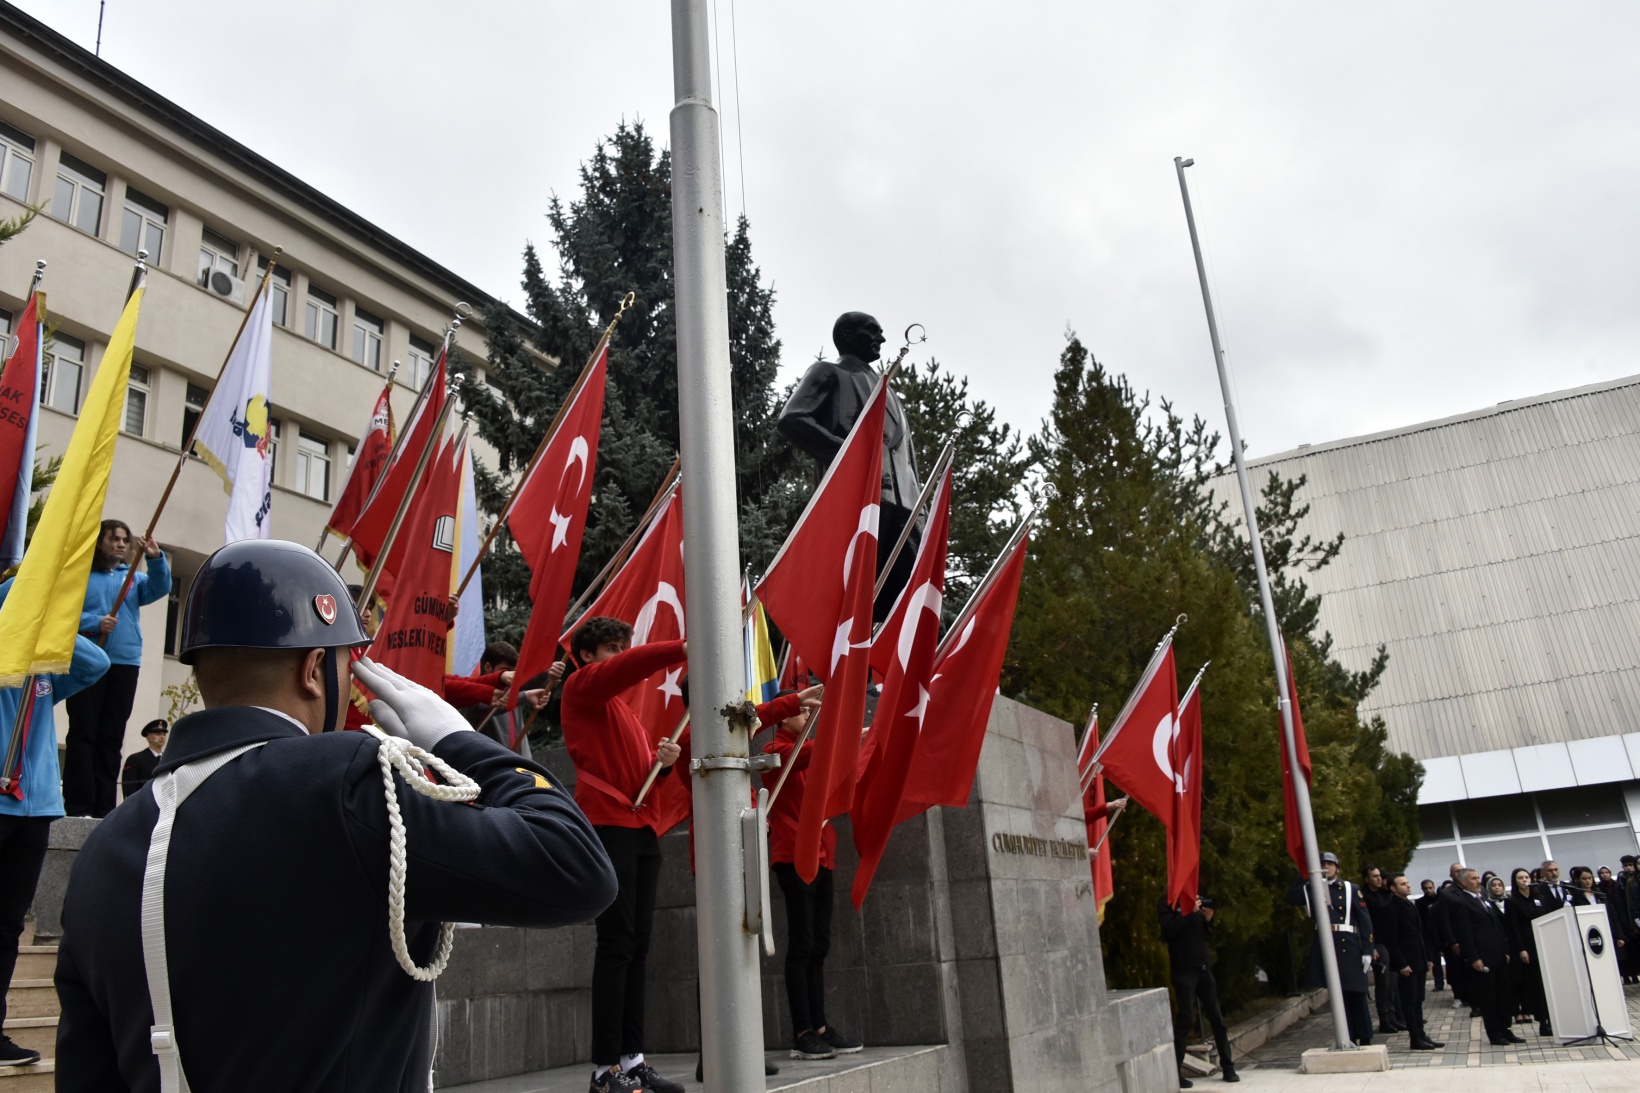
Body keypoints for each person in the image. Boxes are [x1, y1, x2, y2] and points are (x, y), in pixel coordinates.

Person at [54, 539, 617, 1092]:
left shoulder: (104, 850)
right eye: (349, 664)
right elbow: (575, 866)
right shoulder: (343, 782)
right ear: (314, 669)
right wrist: (459, 742)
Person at [558, 617, 690, 1093]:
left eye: (621, 646)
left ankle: (632, 1060)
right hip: (608, 828)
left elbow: (641, 777)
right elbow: (627, 668)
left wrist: (664, 766)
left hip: (639, 829)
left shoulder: (622, 711)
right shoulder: (582, 687)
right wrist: (683, 647)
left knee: (637, 947)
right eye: (612, 647)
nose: (619, 654)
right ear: (587, 655)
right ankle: (603, 1071)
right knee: (616, 946)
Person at [0, 576, 109, 1068]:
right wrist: (19, 599)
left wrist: (52, 623)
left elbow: (96, 663)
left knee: (7, 927)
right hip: (1, 801)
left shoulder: (44, 670)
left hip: (37, 806)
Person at [777, 311, 922, 619]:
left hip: (905, 512)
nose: (881, 338)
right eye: (872, 331)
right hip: (859, 504)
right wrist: (849, 455)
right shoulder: (830, 372)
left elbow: (906, 457)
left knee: (915, 605)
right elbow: (793, 419)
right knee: (851, 603)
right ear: (845, 336)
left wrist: (920, 508)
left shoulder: (889, 391)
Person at [762, 692, 865, 1063]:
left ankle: (820, 1027)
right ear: (783, 717)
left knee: (819, 944)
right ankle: (802, 1031)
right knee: (802, 943)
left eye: (809, 711)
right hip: (792, 855)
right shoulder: (775, 750)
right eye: (802, 711)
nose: (807, 716)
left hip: (823, 855)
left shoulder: (811, 753)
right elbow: (805, 755)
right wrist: (846, 737)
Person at [64, 519, 170, 817]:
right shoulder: (82, 576)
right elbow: (65, 615)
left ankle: (103, 809)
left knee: (111, 736)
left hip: (124, 663)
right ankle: (77, 806)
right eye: (114, 539)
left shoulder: (133, 578)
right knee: (83, 732)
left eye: (125, 539)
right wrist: (94, 622)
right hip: (87, 661)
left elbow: (161, 587)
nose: (121, 544)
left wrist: (155, 558)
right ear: (100, 542)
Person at [1286, 852, 1375, 1045]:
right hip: (1327, 944)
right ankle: (1347, 1037)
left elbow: (1365, 921)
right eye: (1322, 864)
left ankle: (1365, 1036)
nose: (1326, 867)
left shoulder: (1351, 888)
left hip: (1349, 944)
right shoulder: (1313, 888)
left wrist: (1368, 950)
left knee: (1357, 991)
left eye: (1330, 864)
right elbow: (1292, 897)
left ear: (1337, 867)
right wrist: (1305, 874)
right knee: (1338, 995)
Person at [1158, 895, 1239, 1084]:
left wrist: (1208, 920)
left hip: (1202, 967)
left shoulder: (1193, 900)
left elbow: (1204, 934)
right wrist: (1188, 913)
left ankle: (1228, 1068)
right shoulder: (1167, 903)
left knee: (1216, 1018)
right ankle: (1176, 1073)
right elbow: (1168, 931)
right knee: (1185, 1020)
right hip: (1183, 970)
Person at [1448, 867, 1522, 1046]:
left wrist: (1505, 950)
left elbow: (1497, 926)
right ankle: (1495, 1033)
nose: (1478, 881)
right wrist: (1474, 957)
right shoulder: (1462, 902)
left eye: (1477, 878)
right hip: (1483, 957)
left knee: (1503, 995)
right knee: (1489, 998)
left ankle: (1506, 1029)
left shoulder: (1484, 899)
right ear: (1464, 882)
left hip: (1498, 954)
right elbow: (1465, 933)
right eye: (1473, 879)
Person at [1379, 874, 1443, 1050]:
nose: (1408, 886)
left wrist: (1427, 957)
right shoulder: (1390, 907)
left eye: (1407, 883)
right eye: (1402, 884)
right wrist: (1401, 963)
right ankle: (1415, 1038)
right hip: (1406, 963)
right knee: (1409, 1000)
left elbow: (1420, 933)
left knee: (1418, 1000)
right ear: (1393, 888)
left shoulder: (1409, 904)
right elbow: (1391, 940)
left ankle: (1421, 1033)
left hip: (1419, 959)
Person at [1504, 867, 1550, 1036]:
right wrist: (1521, 949)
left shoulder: (1540, 898)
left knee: (1548, 983)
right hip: (1528, 945)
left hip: (1543, 941)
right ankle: (1543, 1021)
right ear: (1515, 882)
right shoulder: (1512, 901)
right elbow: (1514, 927)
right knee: (1536, 983)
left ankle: (1553, 1018)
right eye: (1520, 878)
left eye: (1526, 877)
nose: (1524, 880)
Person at [1361, 865, 1404, 1034]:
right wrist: (1370, 946)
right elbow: (1363, 922)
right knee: (1384, 984)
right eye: (1374, 876)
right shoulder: (1363, 896)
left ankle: (1393, 1017)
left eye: (1379, 876)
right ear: (1367, 879)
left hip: (1390, 942)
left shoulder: (1384, 894)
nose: (1379, 879)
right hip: (1377, 943)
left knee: (1393, 982)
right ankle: (1385, 1020)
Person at [118, 719, 168, 801]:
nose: (162, 737)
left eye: (164, 734)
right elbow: (129, 788)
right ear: (149, 737)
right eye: (158, 734)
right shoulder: (136, 759)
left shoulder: (167, 759)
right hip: (144, 802)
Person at [1415, 879, 1445, 993]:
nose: (1428, 890)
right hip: (1429, 935)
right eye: (1425, 888)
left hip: (1442, 933)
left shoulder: (1440, 899)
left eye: (1430, 888)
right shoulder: (1420, 903)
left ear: (1434, 887)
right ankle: (1439, 983)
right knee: (1435, 961)